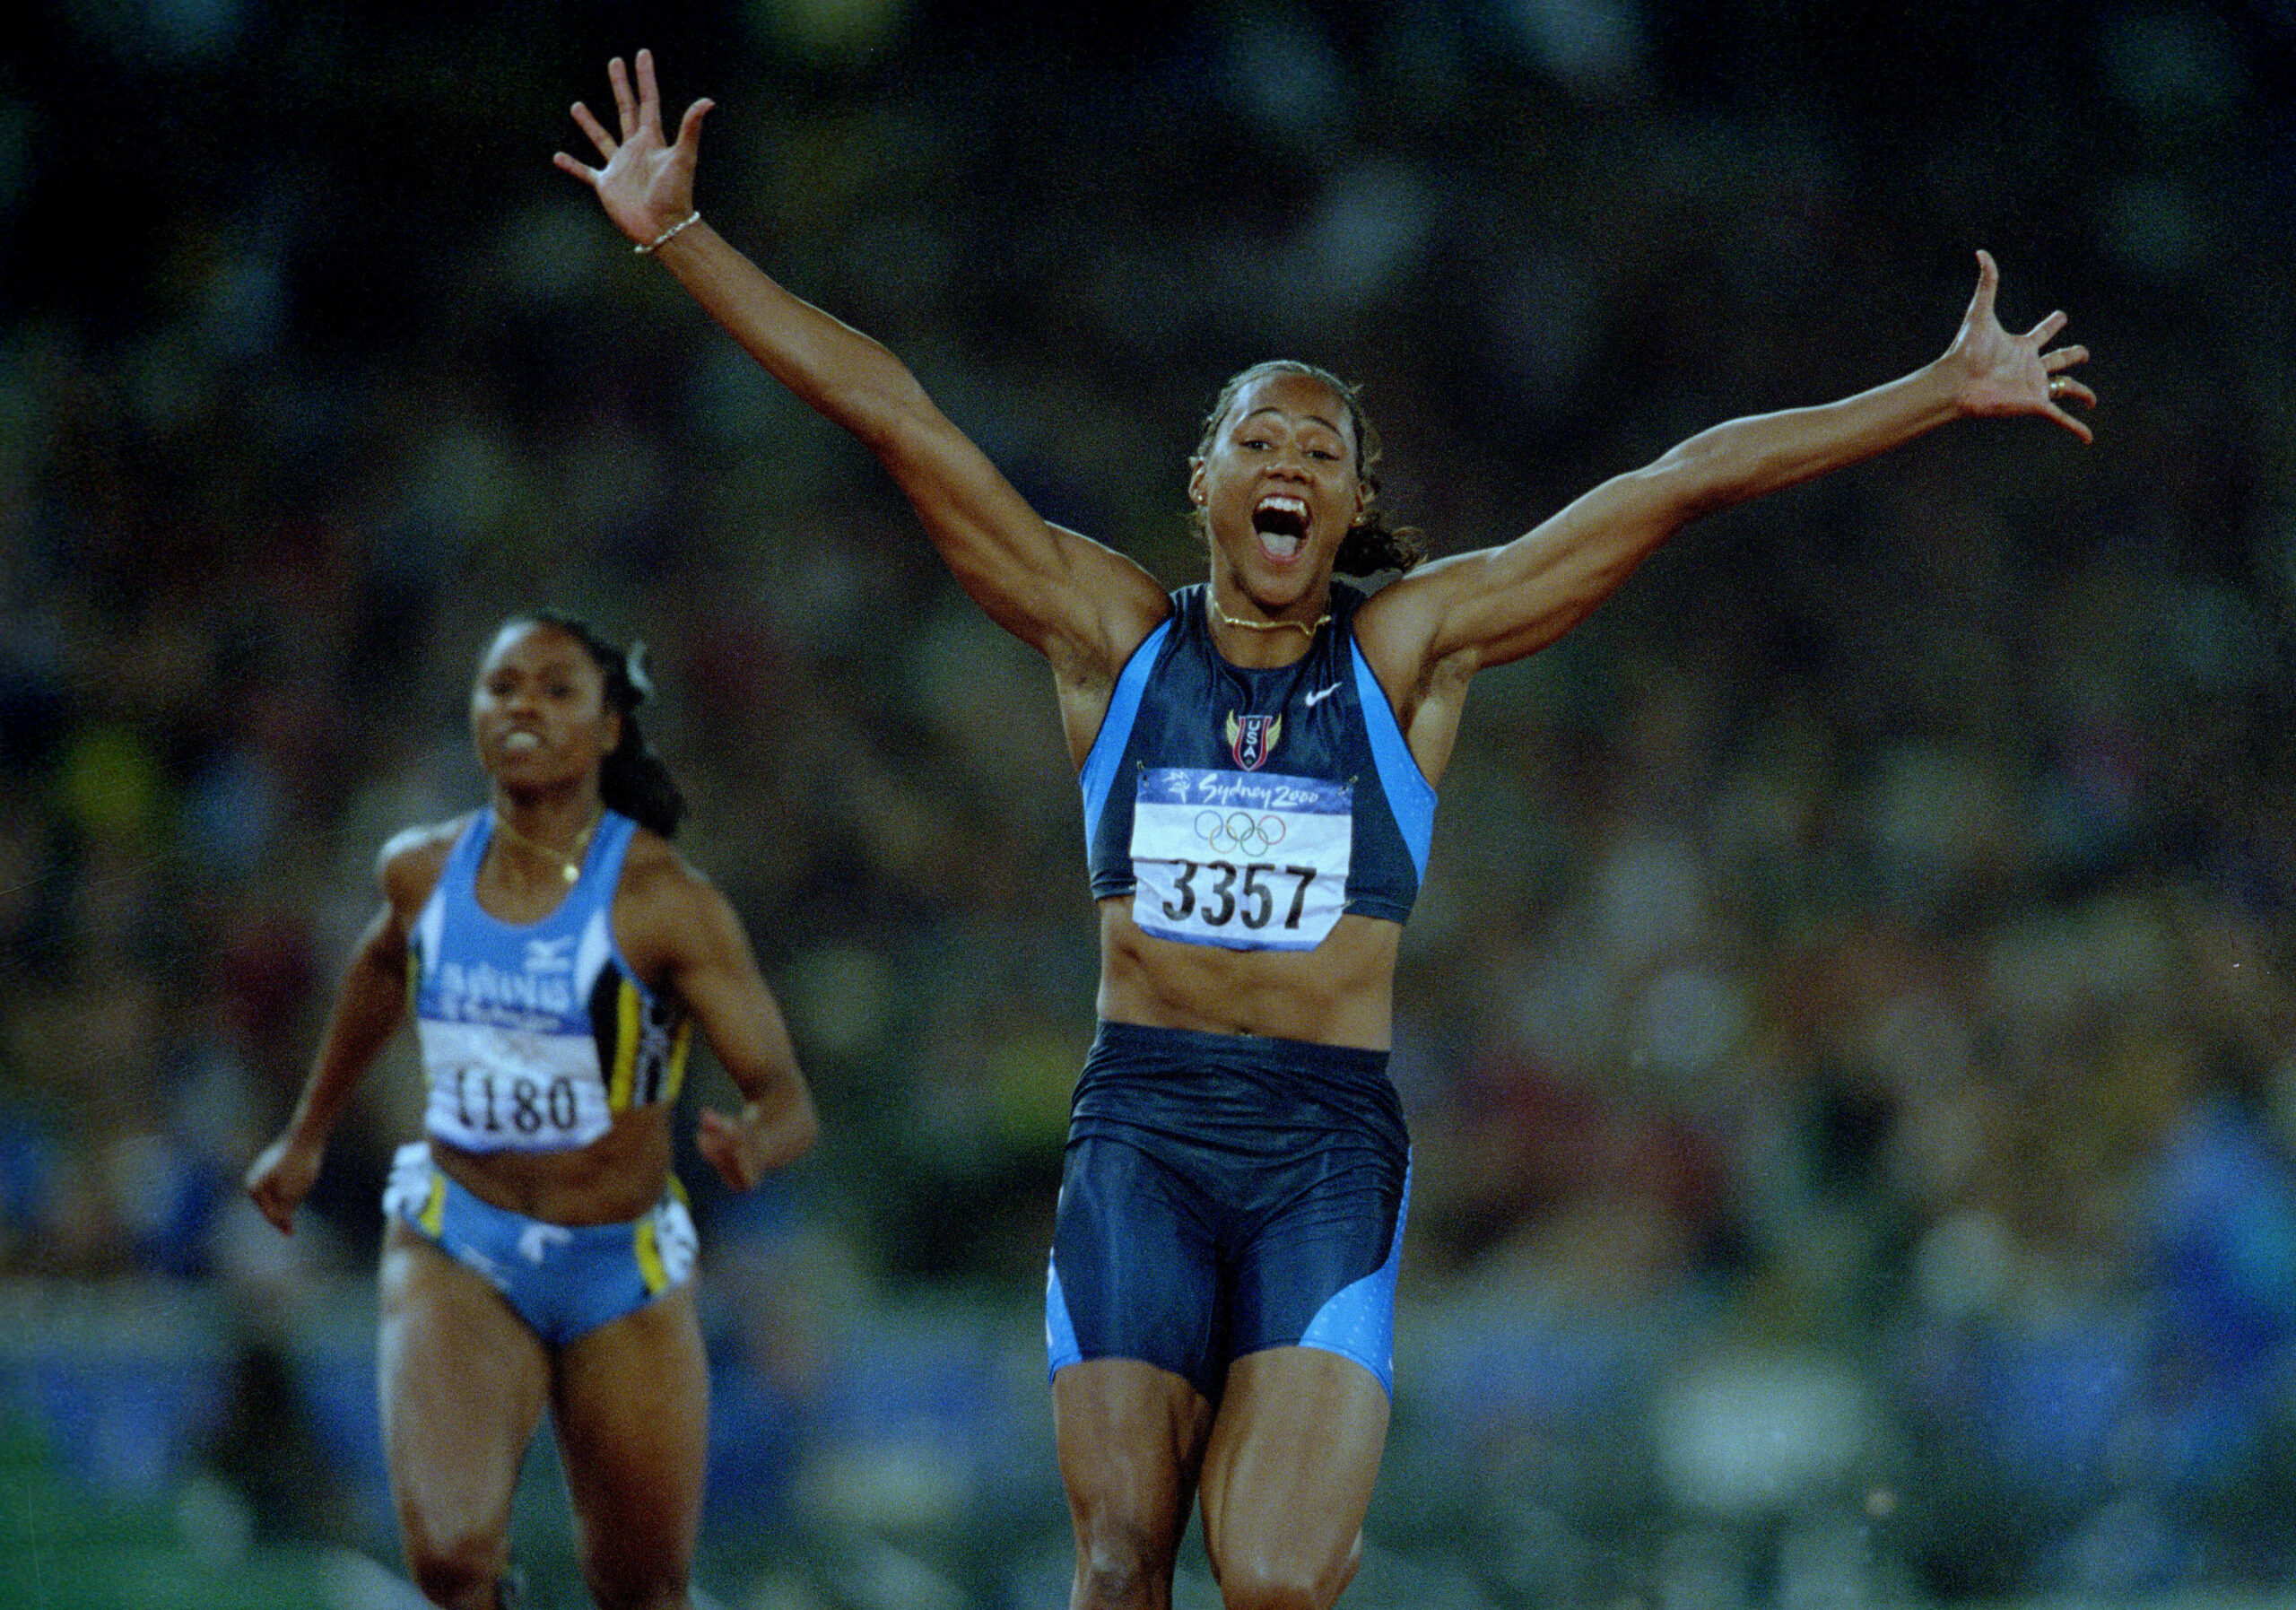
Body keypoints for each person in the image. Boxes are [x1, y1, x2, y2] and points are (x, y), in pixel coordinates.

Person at [555, 49, 2093, 1610]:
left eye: (1323, 451)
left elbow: (1671, 485)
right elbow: (896, 415)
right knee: (1114, 1562)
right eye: (1261, 442)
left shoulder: (1412, 653)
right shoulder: (1108, 637)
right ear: (1206, 483)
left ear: (1353, 511)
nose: (1291, 463)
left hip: (1322, 1150)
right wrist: (678, 238)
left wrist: (1936, 392)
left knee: (1279, 1581)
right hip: (1140, 1134)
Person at [243, 610, 820, 1610]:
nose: (523, 708)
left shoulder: (663, 903)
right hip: (460, 1241)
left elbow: (787, 1097)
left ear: (606, 729)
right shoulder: (421, 873)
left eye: (557, 690)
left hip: (620, 1264)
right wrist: (305, 1135)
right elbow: (378, 971)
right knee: (452, 1559)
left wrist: (754, 1142)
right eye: (501, 687)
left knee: (641, 1587)